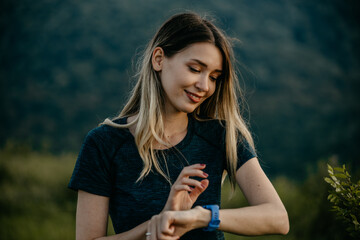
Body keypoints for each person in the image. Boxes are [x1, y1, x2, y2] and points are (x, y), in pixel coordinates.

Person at [68, 12, 289, 240]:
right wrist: (160, 222)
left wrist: (199, 217)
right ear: (159, 59)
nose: (204, 85)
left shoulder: (221, 135)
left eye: (214, 77)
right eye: (195, 69)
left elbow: (278, 218)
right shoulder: (103, 143)